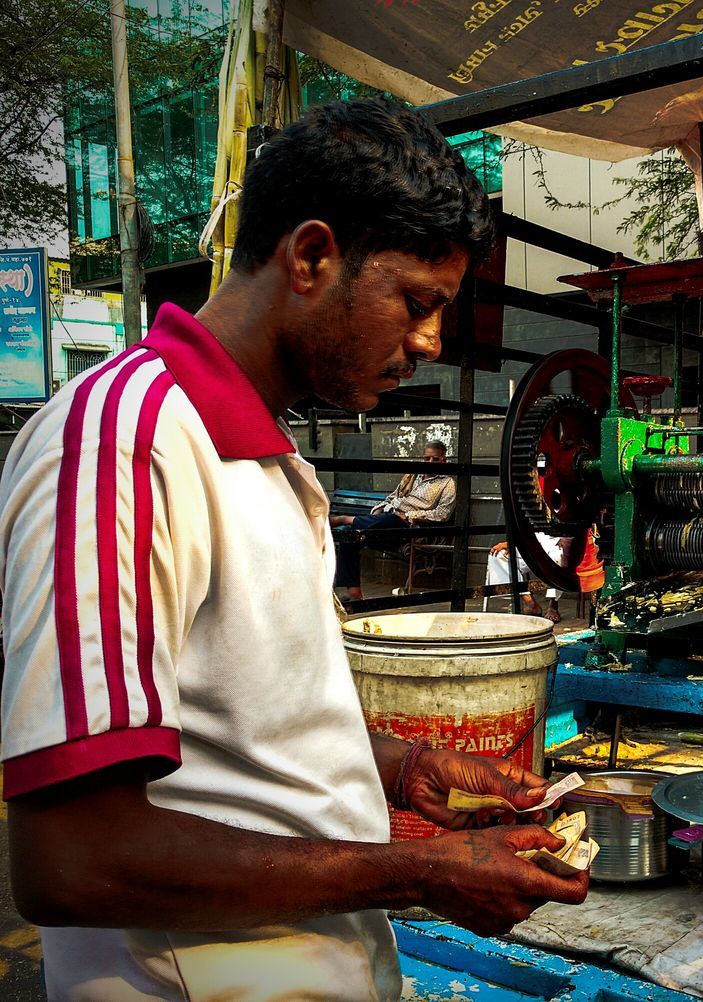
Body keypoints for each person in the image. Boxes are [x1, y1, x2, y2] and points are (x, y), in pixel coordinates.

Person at [0, 97, 587, 1002]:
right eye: (420, 303)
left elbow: (243, 734)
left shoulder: (268, 461)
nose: (428, 343)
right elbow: (75, 858)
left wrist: (404, 767)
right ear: (311, 256)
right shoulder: (123, 443)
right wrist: (419, 872)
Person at [332, 439, 456, 601]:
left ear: (443, 460)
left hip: (413, 528)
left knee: (391, 519)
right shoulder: (412, 477)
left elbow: (442, 514)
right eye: (427, 458)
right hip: (388, 522)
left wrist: (408, 516)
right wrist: (377, 511)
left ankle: (345, 519)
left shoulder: (447, 483)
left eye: (435, 459)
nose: (430, 462)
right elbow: (391, 498)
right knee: (350, 534)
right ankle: (354, 592)